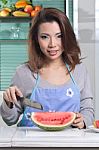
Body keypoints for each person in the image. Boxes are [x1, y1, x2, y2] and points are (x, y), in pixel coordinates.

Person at [0, 7, 94, 128]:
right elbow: (10, 120)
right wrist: (8, 103)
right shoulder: (23, 73)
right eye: (44, 37)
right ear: (36, 39)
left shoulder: (79, 70)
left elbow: (87, 109)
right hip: (30, 144)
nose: (52, 44)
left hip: (70, 143)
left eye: (59, 36)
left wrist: (84, 120)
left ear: (67, 37)